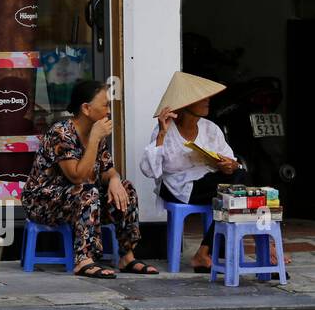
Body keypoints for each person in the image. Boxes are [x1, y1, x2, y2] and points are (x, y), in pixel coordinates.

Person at [139, 71, 289, 271]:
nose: (208, 101)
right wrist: (161, 134)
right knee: (237, 190)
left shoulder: (210, 128)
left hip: (208, 184)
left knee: (237, 186)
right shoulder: (166, 131)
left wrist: (229, 165)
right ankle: (265, 245)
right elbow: (150, 171)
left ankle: (205, 251)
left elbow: (230, 159)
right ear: (186, 104)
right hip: (177, 187)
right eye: (202, 98)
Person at [22, 80, 157, 278]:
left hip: (79, 201)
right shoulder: (61, 133)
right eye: (105, 105)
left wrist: (114, 180)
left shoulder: (96, 134)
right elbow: (77, 176)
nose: (108, 111)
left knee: (125, 188)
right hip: (44, 201)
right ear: (86, 108)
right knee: (87, 190)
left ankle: (127, 256)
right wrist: (93, 139)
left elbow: (107, 169)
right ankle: (83, 259)